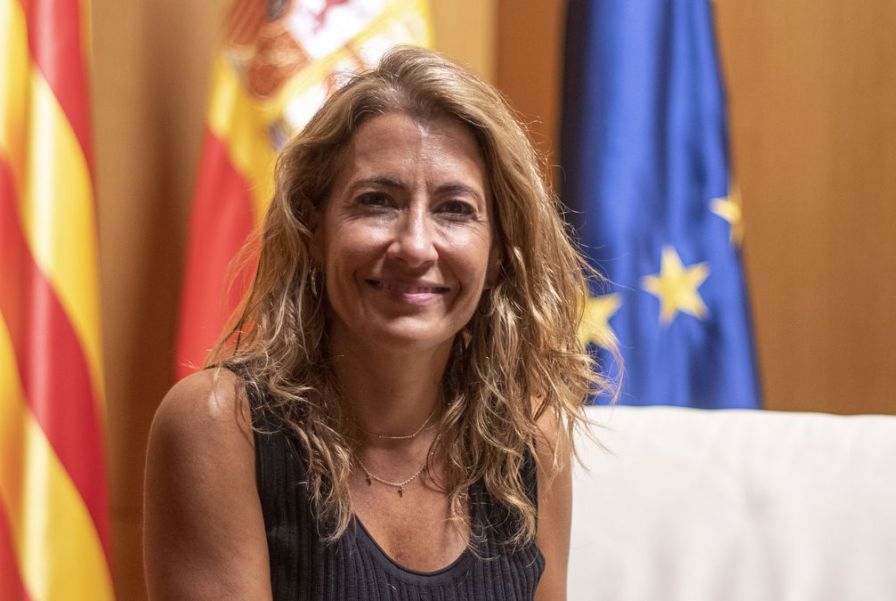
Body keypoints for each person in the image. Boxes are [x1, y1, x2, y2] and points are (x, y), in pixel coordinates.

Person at [144, 46, 606, 601]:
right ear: (312, 231)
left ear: (499, 254)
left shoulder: (531, 438)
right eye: (377, 201)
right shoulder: (221, 425)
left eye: (455, 208)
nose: (415, 245)